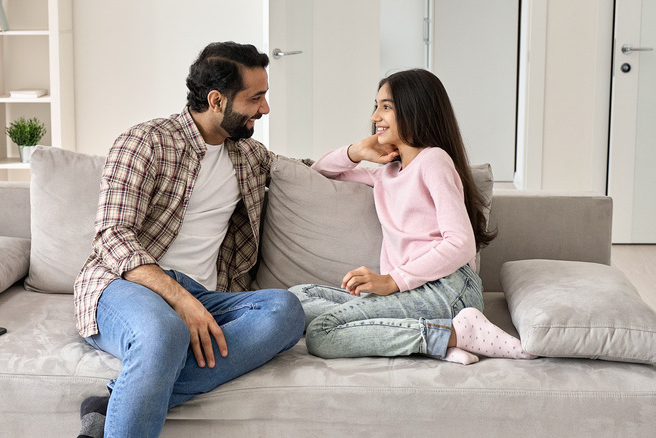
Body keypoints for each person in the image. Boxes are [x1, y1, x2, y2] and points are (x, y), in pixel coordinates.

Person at [74, 41, 305, 438]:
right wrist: (181, 302)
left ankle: (115, 404)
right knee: (167, 332)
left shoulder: (248, 155)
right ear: (217, 100)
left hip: (205, 294)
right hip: (124, 286)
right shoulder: (145, 142)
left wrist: (356, 154)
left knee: (286, 311)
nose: (265, 109)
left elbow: (301, 170)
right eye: (256, 98)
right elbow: (112, 235)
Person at [289, 69, 537, 365]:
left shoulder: (433, 160)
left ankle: (454, 335)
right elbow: (318, 173)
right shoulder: (386, 174)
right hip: (407, 294)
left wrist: (392, 281)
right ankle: (442, 336)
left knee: (322, 333)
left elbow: (461, 243)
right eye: (376, 106)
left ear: (415, 109)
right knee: (294, 299)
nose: (375, 116)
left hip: (449, 287)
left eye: (387, 107)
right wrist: (357, 150)